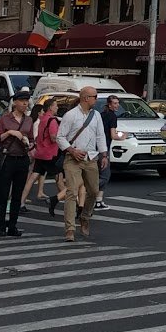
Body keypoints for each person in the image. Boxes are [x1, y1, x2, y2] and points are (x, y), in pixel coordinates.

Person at [57, 86, 109, 240]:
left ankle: (85, 217)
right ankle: (70, 229)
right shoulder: (70, 115)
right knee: (72, 192)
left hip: (91, 158)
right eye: (94, 96)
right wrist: (71, 150)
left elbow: (100, 136)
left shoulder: (96, 115)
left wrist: (104, 154)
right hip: (73, 159)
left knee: (93, 191)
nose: (96, 99)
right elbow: (60, 137)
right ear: (86, 98)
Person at [0, 87, 35, 237]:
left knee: (17, 194)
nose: (25, 104)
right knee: (3, 193)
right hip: (8, 158)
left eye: (27, 101)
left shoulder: (29, 120)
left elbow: (31, 139)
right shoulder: (6, 119)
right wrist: (10, 133)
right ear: (15, 102)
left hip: (22, 159)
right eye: (22, 101)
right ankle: (0, 226)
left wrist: (30, 144)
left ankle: (13, 225)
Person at [25, 99, 60, 210]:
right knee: (59, 177)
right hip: (50, 153)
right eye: (55, 106)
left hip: (40, 152)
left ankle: (20, 201)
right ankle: (69, 201)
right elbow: (53, 137)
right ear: (50, 107)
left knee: (32, 177)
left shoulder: (42, 119)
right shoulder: (52, 120)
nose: (57, 108)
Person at [96, 94, 121, 210]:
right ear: (110, 105)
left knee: (98, 173)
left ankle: (98, 200)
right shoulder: (112, 117)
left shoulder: (101, 115)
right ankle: (89, 191)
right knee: (105, 175)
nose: (117, 105)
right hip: (104, 148)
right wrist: (123, 136)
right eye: (115, 103)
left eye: (117, 103)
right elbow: (113, 135)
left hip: (96, 147)